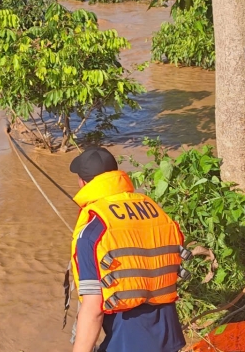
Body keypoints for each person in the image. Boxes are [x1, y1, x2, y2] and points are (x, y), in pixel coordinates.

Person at [69, 147, 186, 352]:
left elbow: (93, 310)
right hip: (169, 336)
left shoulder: (93, 231)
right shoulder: (154, 209)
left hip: (126, 342)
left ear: (83, 183)